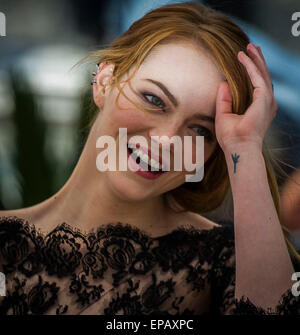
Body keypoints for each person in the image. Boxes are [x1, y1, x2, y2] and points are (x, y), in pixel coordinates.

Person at [0, 2, 299, 315]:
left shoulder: (225, 267)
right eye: (154, 100)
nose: (168, 140)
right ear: (103, 81)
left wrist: (245, 146)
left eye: (200, 130)